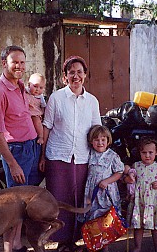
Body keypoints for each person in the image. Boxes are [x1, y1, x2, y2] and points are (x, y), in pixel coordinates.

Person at [39, 55, 101, 252]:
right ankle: (60, 240)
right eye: (71, 72)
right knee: (58, 198)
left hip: (82, 156)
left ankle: (74, 239)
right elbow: (46, 127)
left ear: (85, 75)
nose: (76, 76)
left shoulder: (92, 101)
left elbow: (96, 130)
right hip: (57, 155)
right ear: (65, 77)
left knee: (77, 198)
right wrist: (42, 156)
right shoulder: (56, 98)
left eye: (79, 72)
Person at [0, 45, 43, 252]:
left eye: (22, 62)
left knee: (25, 200)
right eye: (14, 62)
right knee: (15, 204)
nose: (19, 66)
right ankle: (11, 247)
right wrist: (13, 164)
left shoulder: (20, 85)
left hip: (31, 148)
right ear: (4, 63)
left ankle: (19, 242)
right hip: (17, 152)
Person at [82, 125, 125, 252]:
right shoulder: (90, 154)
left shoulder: (112, 156)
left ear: (108, 141)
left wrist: (107, 181)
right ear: (91, 142)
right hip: (92, 193)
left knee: (105, 219)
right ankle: (93, 244)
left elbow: (119, 172)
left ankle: (104, 246)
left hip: (106, 193)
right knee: (92, 218)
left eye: (103, 140)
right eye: (96, 140)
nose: (100, 143)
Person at [126, 137, 157, 252]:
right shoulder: (136, 166)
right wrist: (129, 179)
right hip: (139, 200)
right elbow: (127, 179)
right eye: (144, 152)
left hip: (154, 201)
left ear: (156, 153)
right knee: (138, 226)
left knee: (156, 227)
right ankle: (137, 247)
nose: (147, 155)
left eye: (150, 152)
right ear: (140, 153)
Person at [24, 72, 47, 145]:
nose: (37, 89)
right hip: (25, 112)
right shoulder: (25, 91)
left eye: (41, 88)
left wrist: (42, 115)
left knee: (37, 121)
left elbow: (43, 106)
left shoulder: (40, 97)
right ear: (29, 85)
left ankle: (40, 136)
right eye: (35, 86)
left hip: (35, 113)